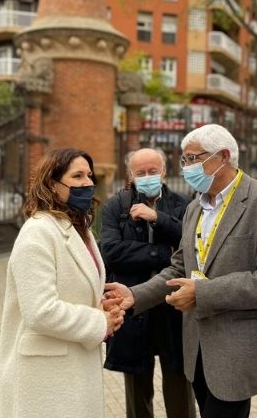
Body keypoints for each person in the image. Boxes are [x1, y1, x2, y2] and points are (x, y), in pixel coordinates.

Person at [106, 124, 257, 418]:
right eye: (184, 160)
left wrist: (202, 292)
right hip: (196, 349)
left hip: (234, 350)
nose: (186, 167)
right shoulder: (195, 206)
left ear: (222, 156)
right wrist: (134, 295)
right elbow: (180, 266)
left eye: (193, 158)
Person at [0, 148, 125, 418]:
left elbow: (72, 287)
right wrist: (99, 322)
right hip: (45, 378)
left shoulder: (78, 228)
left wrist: (102, 304)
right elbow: (40, 311)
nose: (88, 183)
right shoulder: (37, 233)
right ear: (53, 185)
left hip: (72, 368)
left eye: (89, 175)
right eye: (77, 176)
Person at [100, 148, 196, 418]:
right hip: (133, 305)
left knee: (178, 380)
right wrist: (165, 253)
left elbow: (191, 243)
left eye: (152, 171)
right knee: (137, 387)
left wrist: (158, 219)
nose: (147, 177)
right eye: (140, 172)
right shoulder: (115, 206)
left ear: (164, 171)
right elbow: (111, 252)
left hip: (172, 304)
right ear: (130, 175)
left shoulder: (183, 203)